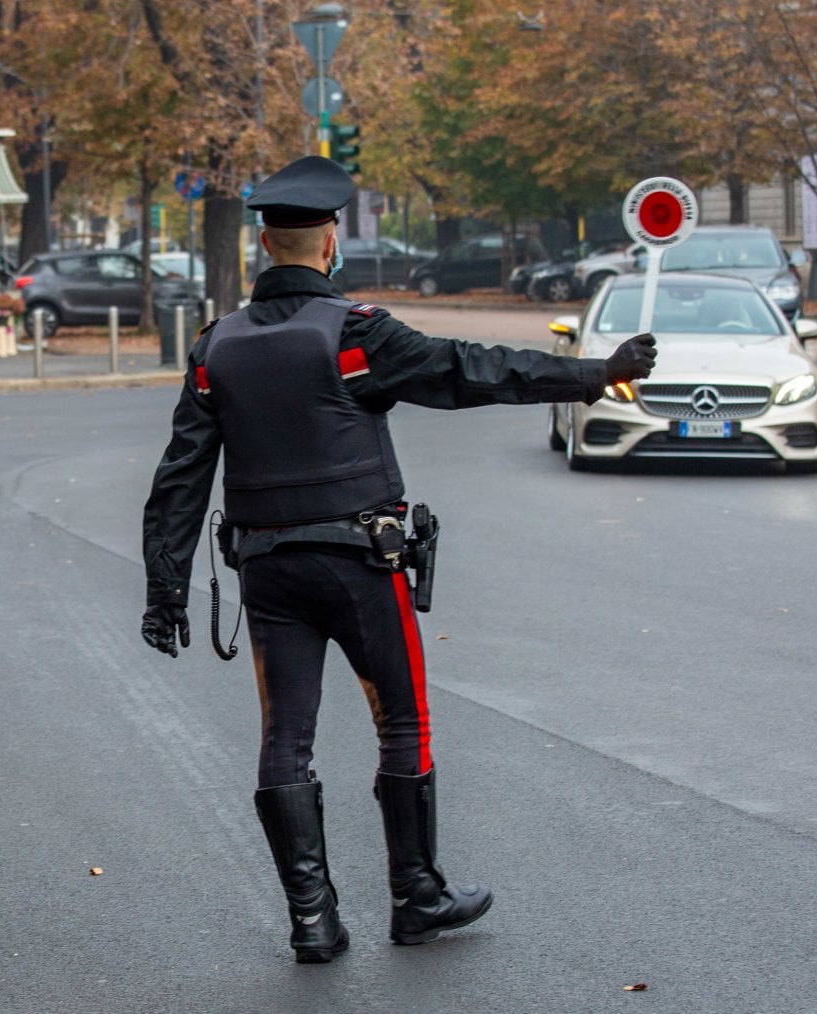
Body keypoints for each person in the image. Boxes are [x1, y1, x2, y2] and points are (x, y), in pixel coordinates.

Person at [139, 156, 656, 963]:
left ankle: (313, 922)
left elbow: (181, 476)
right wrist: (595, 373)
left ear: (267, 245)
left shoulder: (216, 349)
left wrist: (164, 590)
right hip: (357, 566)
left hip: (269, 575)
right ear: (329, 242)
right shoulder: (354, 335)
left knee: (287, 739)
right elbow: (469, 370)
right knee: (403, 721)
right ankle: (416, 897)